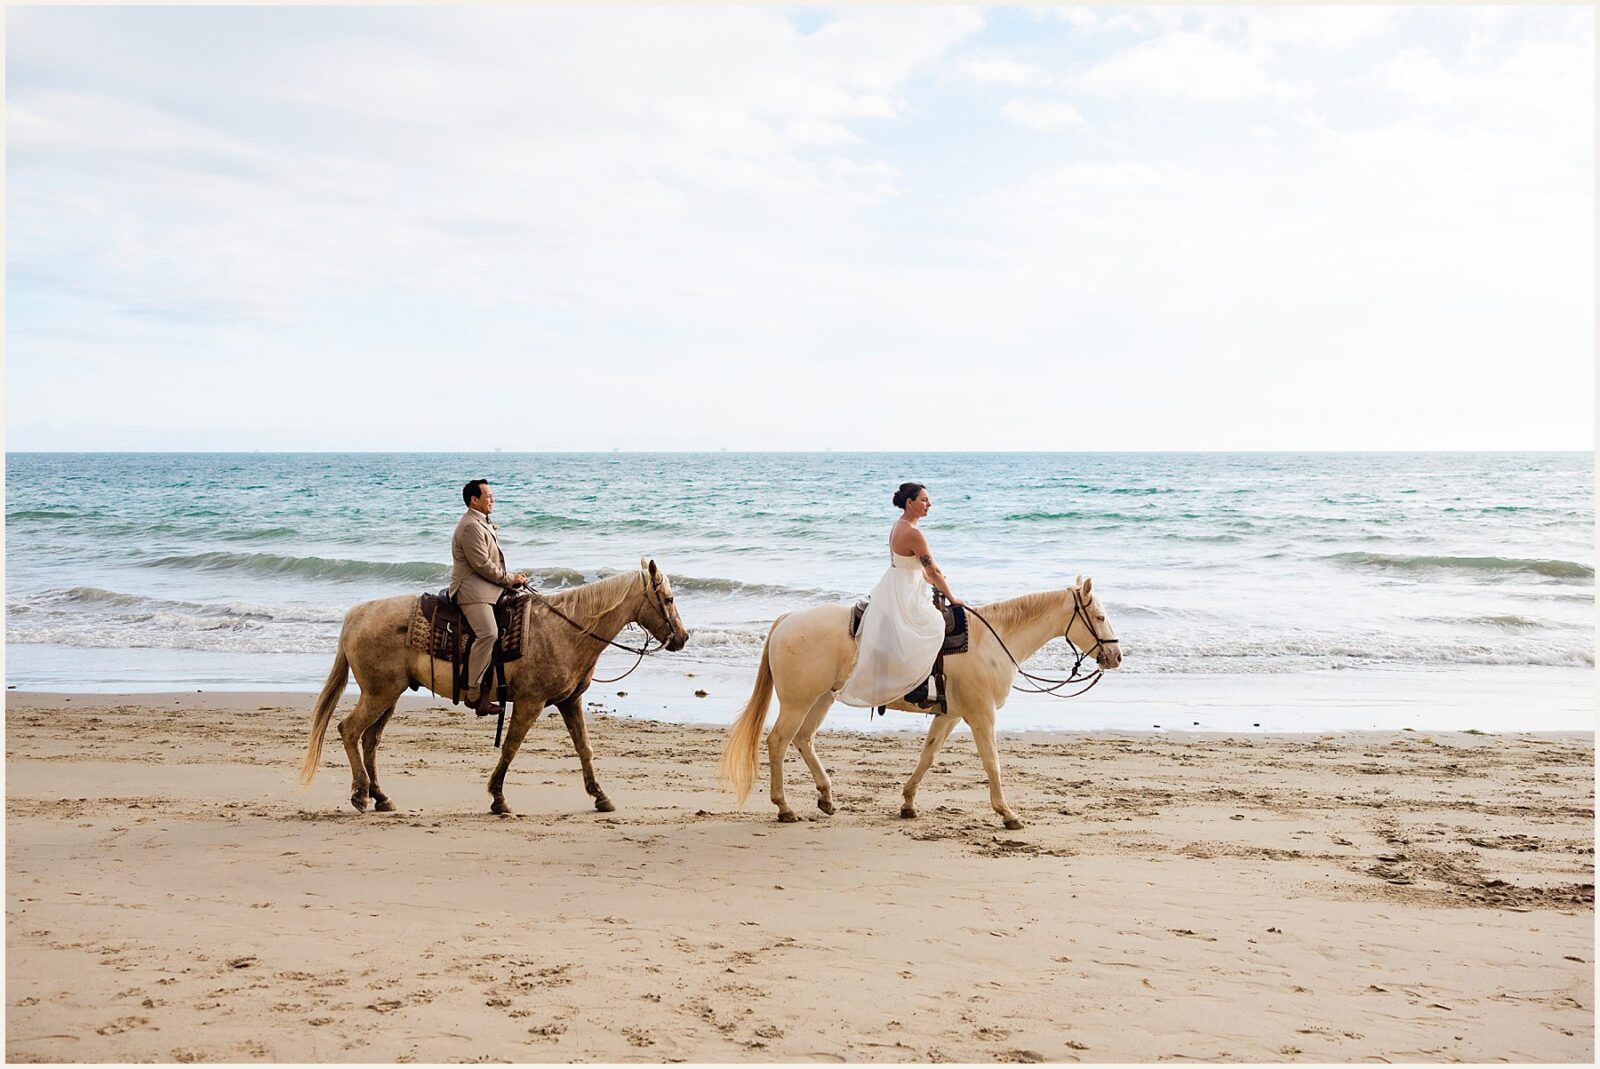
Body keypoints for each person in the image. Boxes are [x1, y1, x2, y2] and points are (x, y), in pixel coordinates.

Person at [837, 482, 964, 709]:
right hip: (904, 593)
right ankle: (919, 685)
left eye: (928, 500)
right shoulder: (914, 533)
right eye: (924, 500)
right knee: (933, 627)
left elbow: (910, 565)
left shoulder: (899, 525)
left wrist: (931, 580)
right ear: (909, 502)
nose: (929, 504)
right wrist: (952, 598)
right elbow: (931, 570)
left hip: (896, 584)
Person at [450, 479, 528, 715]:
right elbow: (482, 565)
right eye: (488, 496)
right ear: (474, 500)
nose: (492, 500)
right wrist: (509, 578)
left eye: (492, 496)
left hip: (486, 586)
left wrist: (512, 580)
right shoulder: (470, 526)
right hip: (472, 590)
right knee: (489, 633)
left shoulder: (480, 522)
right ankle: (473, 693)